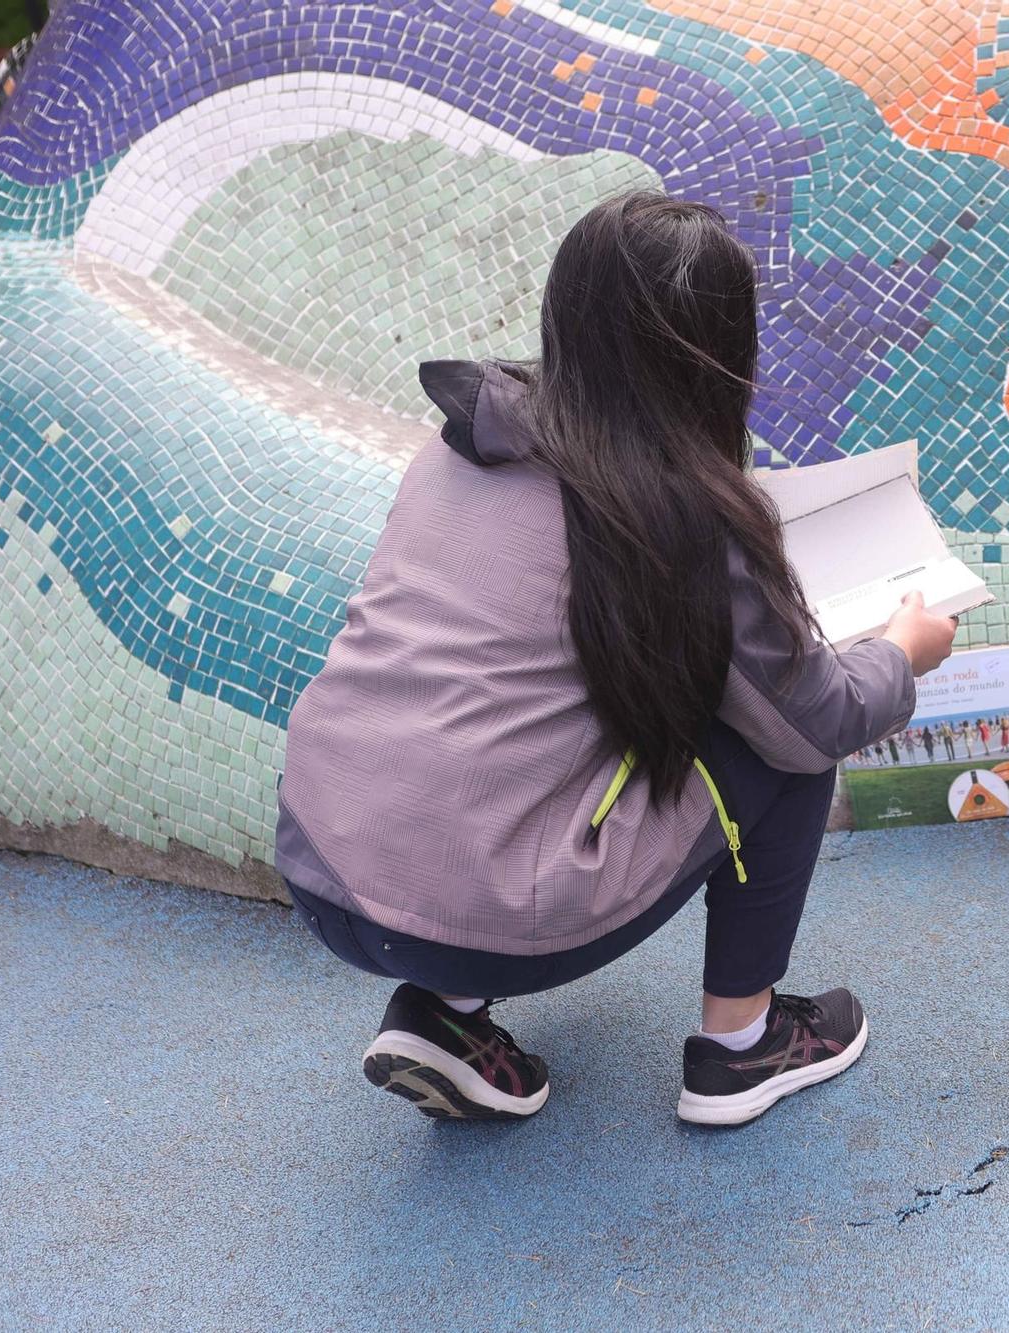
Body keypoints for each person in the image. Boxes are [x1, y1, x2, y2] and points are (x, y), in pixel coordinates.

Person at [275, 192, 958, 1124]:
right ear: (718, 354)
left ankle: (448, 1018)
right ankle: (740, 1047)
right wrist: (900, 654)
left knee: (517, 726)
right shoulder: (676, 515)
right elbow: (819, 718)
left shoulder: (462, 446)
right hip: (485, 910)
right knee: (778, 745)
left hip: (320, 864)